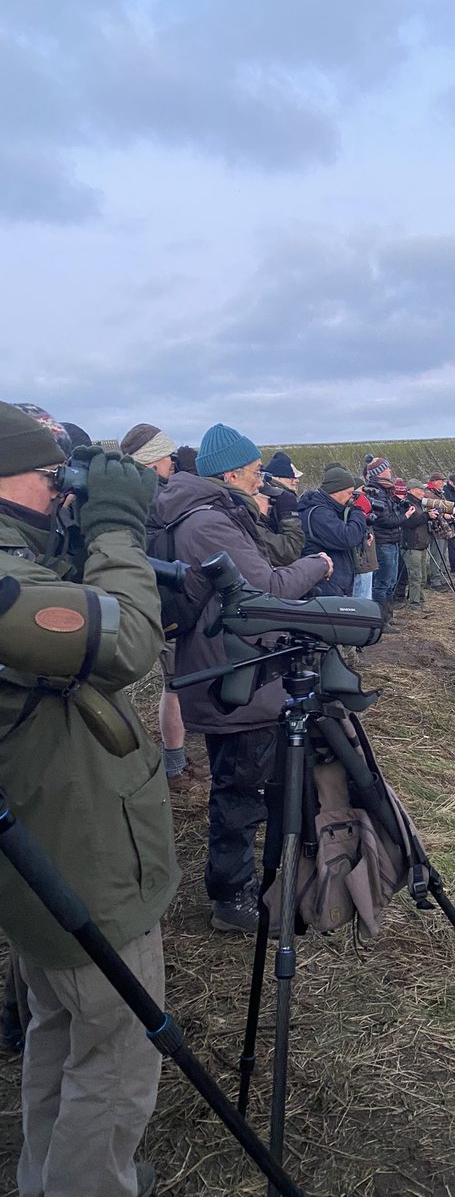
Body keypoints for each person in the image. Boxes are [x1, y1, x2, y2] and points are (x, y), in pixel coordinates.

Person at [0, 402, 180, 1197]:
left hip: (40, 863)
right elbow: (128, 642)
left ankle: (46, 1177)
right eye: (48, 479)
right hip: (82, 866)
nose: (58, 492)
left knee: (57, 1030)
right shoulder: (7, 590)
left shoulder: (21, 563)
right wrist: (115, 526)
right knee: (112, 1061)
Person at [155, 423, 333, 932]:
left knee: (244, 780)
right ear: (231, 473)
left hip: (230, 665)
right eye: (256, 472)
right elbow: (267, 591)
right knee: (240, 789)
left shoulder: (198, 514)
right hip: (238, 673)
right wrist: (316, 567)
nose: (262, 480)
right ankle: (233, 897)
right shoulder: (208, 523)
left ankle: (252, 880)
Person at [121, 423, 201, 795]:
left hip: (153, 603)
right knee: (175, 687)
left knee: (176, 686)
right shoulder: (156, 500)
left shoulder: (128, 497)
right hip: (165, 604)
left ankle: (174, 761)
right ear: (152, 462)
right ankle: (173, 766)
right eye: (167, 457)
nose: (173, 462)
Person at [297, 465, 368, 597]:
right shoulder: (319, 513)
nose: (351, 497)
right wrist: (359, 511)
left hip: (334, 583)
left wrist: (362, 534)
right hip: (325, 586)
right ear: (335, 491)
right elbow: (347, 538)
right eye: (349, 493)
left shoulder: (330, 510)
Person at [363, 456, 404, 630]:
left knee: (391, 581)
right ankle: (380, 620)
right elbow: (385, 520)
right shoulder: (375, 492)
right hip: (383, 542)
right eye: (387, 468)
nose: (390, 471)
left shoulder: (387, 491)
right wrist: (404, 517)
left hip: (392, 541)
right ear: (380, 472)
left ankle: (388, 615)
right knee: (382, 582)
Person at [400, 480, 438, 612]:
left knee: (421, 577)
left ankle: (420, 602)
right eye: (420, 490)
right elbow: (409, 522)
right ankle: (414, 604)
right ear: (412, 490)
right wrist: (427, 516)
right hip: (412, 545)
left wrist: (429, 518)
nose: (423, 492)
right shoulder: (407, 503)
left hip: (421, 544)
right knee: (415, 577)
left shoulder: (419, 504)